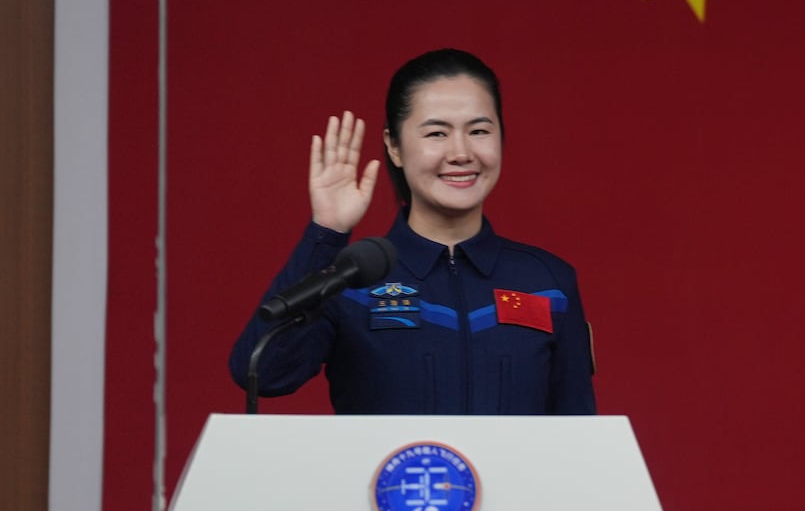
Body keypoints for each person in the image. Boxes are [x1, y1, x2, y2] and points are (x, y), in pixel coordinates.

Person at [228, 48, 595, 415]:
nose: (461, 152)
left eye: (479, 130)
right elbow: (263, 373)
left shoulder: (548, 282)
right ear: (394, 146)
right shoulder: (349, 280)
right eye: (436, 133)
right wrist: (327, 232)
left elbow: (580, 434)